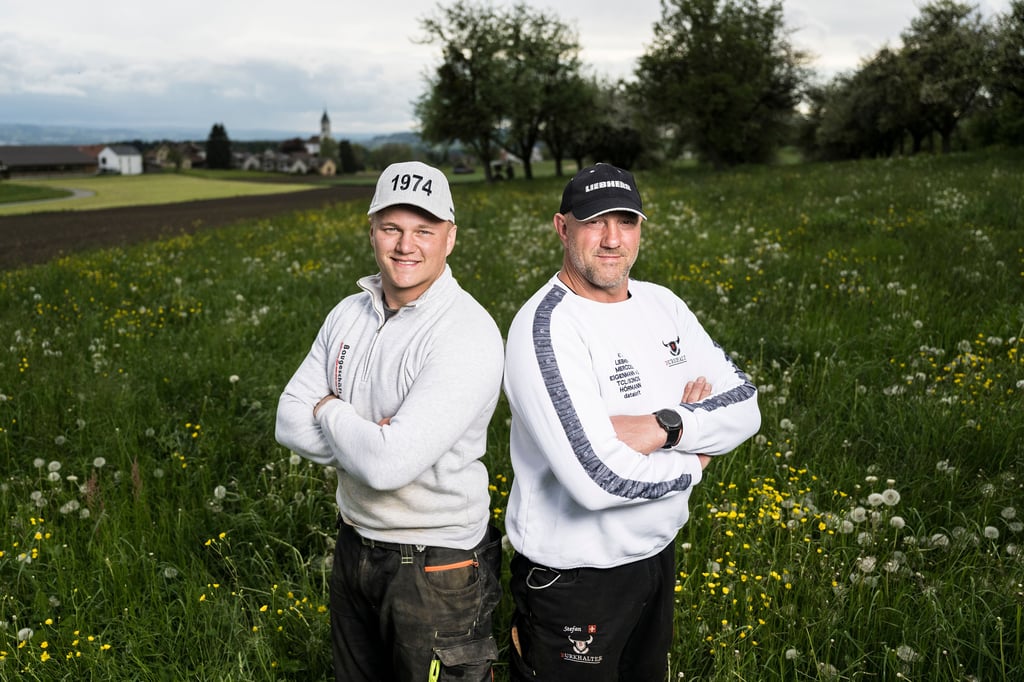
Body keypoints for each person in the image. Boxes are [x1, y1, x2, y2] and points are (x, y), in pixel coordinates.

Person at [502, 163, 761, 681]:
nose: (612, 239)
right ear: (562, 228)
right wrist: (694, 463)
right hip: (575, 579)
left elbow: (747, 406)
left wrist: (667, 425)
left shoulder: (663, 304)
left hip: (655, 555)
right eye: (595, 221)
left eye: (627, 221)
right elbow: (597, 479)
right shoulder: (547, 327)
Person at [275, 160, 505, 682]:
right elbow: (287, 420)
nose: (406, 245)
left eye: (424, 230)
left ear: (450, 238)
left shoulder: (465, 332)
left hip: (436, 565)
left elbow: (387, 465)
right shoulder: (347, 314)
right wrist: (370, 437)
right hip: (355, 543)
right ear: (372, 230)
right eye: (392, 228)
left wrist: (330, 407)